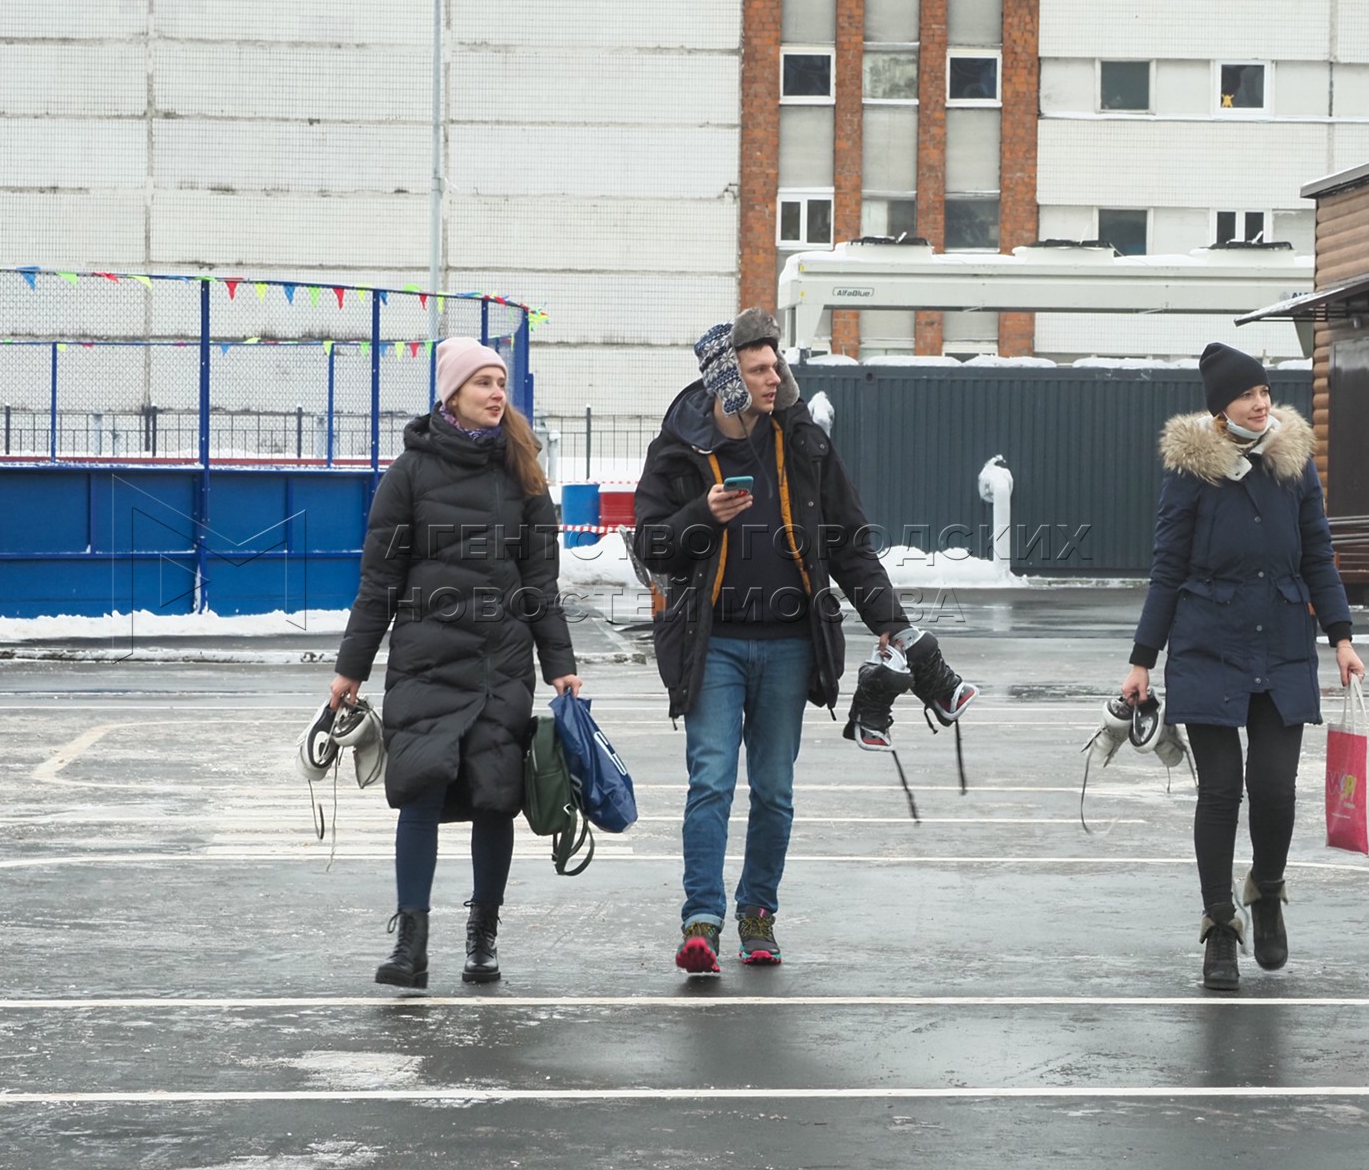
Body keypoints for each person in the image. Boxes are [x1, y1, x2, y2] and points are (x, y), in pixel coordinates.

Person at [634, 308, 977, 974]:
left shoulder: (803, 441)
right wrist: (700, 515)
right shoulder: (680, 446)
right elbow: (650, 545)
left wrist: (892, 624)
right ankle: (700, 921)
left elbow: (849, 545)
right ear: (725, 378)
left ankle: (757, 915)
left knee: (774, 791)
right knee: (710, 781)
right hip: (714, 645)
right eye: (758, 368)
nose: (774, 377)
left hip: (791, 642)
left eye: (776, 365)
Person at [328, 336, 581, 991]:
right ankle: (411, 944)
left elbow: (539, 584)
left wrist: (560, 664)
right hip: (425, 659)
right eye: (484, 383)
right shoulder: (409, 473)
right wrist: (350, 668)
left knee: (496, 798)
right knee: (421, 788)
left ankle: (482, 937)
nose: (498, 394)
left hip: (500, 661)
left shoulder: (522, 474)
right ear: (452, 395)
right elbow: (377, 580)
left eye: (501, 383)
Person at [1123, 342, 1365, 991]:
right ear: (1221, 408)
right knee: (1222, 791)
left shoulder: (1294, 461)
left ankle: (1266, 892)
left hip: (1284, 640)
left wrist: (1341, 637)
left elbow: (1318, 552)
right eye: (1248, 395)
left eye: (1264, 391)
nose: (1262, 403)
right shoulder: (1191, 471)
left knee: (1276, 788)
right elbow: (1168, 567)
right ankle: (1220, 927)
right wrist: (1142, 660)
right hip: (1209, 645)